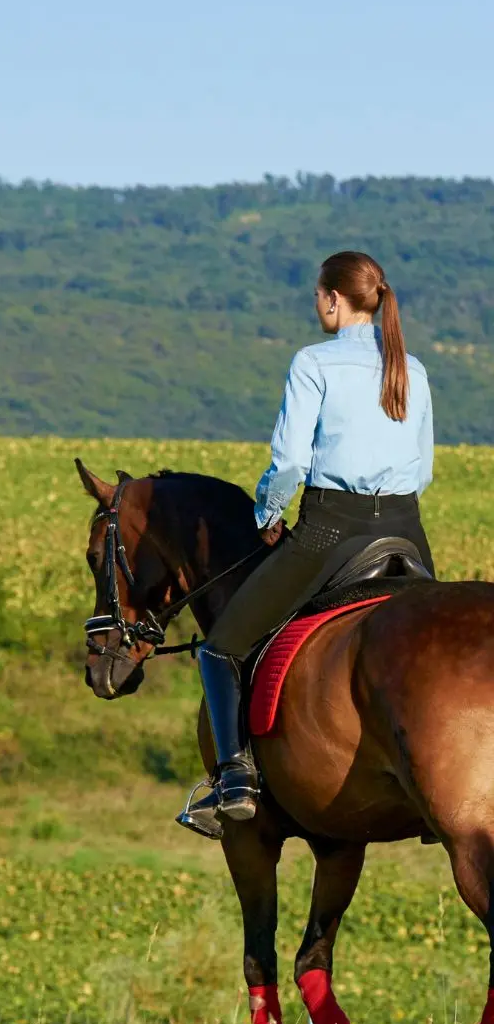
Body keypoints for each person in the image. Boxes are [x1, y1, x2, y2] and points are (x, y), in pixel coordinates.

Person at [178, 250, 435, 840]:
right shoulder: (412, 370)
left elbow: (291, 460)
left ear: (332, 300)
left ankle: (236, 780)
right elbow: (421, 470)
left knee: (220, 648)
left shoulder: (313, 363)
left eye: (318, 297)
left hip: (331, 530)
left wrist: (267, 512)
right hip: (406, 531)